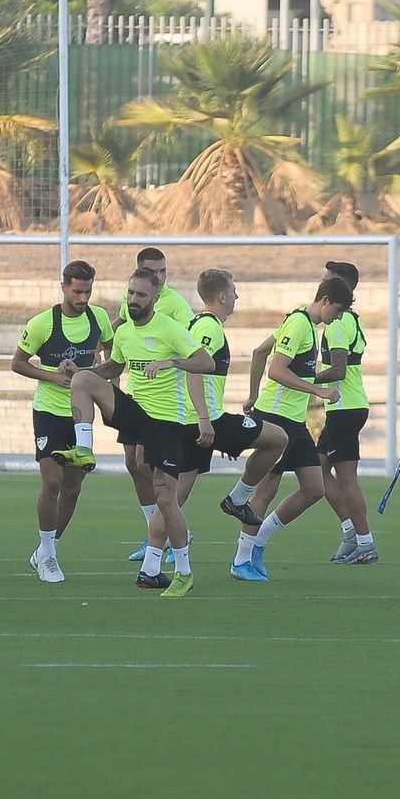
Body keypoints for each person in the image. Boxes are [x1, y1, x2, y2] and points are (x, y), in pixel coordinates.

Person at [52, 269, 213, 598]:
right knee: (82, 380)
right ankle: (84, 449)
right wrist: (82, 369)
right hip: (137, 414)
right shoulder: (124, 332)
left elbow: (206, 363)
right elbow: (113, 367)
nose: (133, 300)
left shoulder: (170, 329)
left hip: (167, 423)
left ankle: (183, 572)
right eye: (130, 293)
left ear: (155, 298)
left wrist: (173, 363)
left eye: (141, 295)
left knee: (165, 499)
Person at [235, 277, 353, 582]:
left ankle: (258, 542)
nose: (339, 316)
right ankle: (241, 559)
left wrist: (252, 395)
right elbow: (276, 369)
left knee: (315, 488)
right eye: (338, 310)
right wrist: (318, 390)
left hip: (294, 420)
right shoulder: (299, 324)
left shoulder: (306, 324)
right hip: (277, 418)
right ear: (324, 301)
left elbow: (260, 351)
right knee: (266, 489)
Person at [11, 260, 113, 583]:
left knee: (72, 487)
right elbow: (18, 363)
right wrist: (53, 376)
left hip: (80, 415)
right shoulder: (42, 323)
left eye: (88, 292)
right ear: (64, 287)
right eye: (77, 291)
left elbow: (114, 355)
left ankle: (46, 551)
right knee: (52, 482)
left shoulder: (99, 319)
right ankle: (48, 553)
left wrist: (95, 375)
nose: (83, 298)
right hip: (49, 412)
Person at [171, 268, 287, 523]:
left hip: (195, 420)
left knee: (175, 498)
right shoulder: (209, 327)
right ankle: (237, 499)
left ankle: (155, 545)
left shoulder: (200, 324)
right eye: (234, 291)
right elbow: (193, 369)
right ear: (222, 297)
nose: (237, 296)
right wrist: (205, 420)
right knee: (278, 438)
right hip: (204, 421)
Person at [113, 248, 195, 565]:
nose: (159, 277)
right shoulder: (135, 296)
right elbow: (122, 328)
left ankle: (168, 538)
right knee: (134, 463)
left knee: (161, 483)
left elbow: (195, 349)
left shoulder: (175, 306)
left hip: (164, 406)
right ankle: (154, 531)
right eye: (153, 271)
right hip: (136, 398)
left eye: (163, 272)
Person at [317, 261, 377, 565]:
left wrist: (303, 379)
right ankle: (351, 531)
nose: (322, 281)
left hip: (345, 407)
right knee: (316, 469)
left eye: (328, 278)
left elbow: (339, 370)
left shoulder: (339, 323)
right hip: (343, 407)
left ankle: (364, 542)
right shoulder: (348, 319)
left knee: (346, 477)